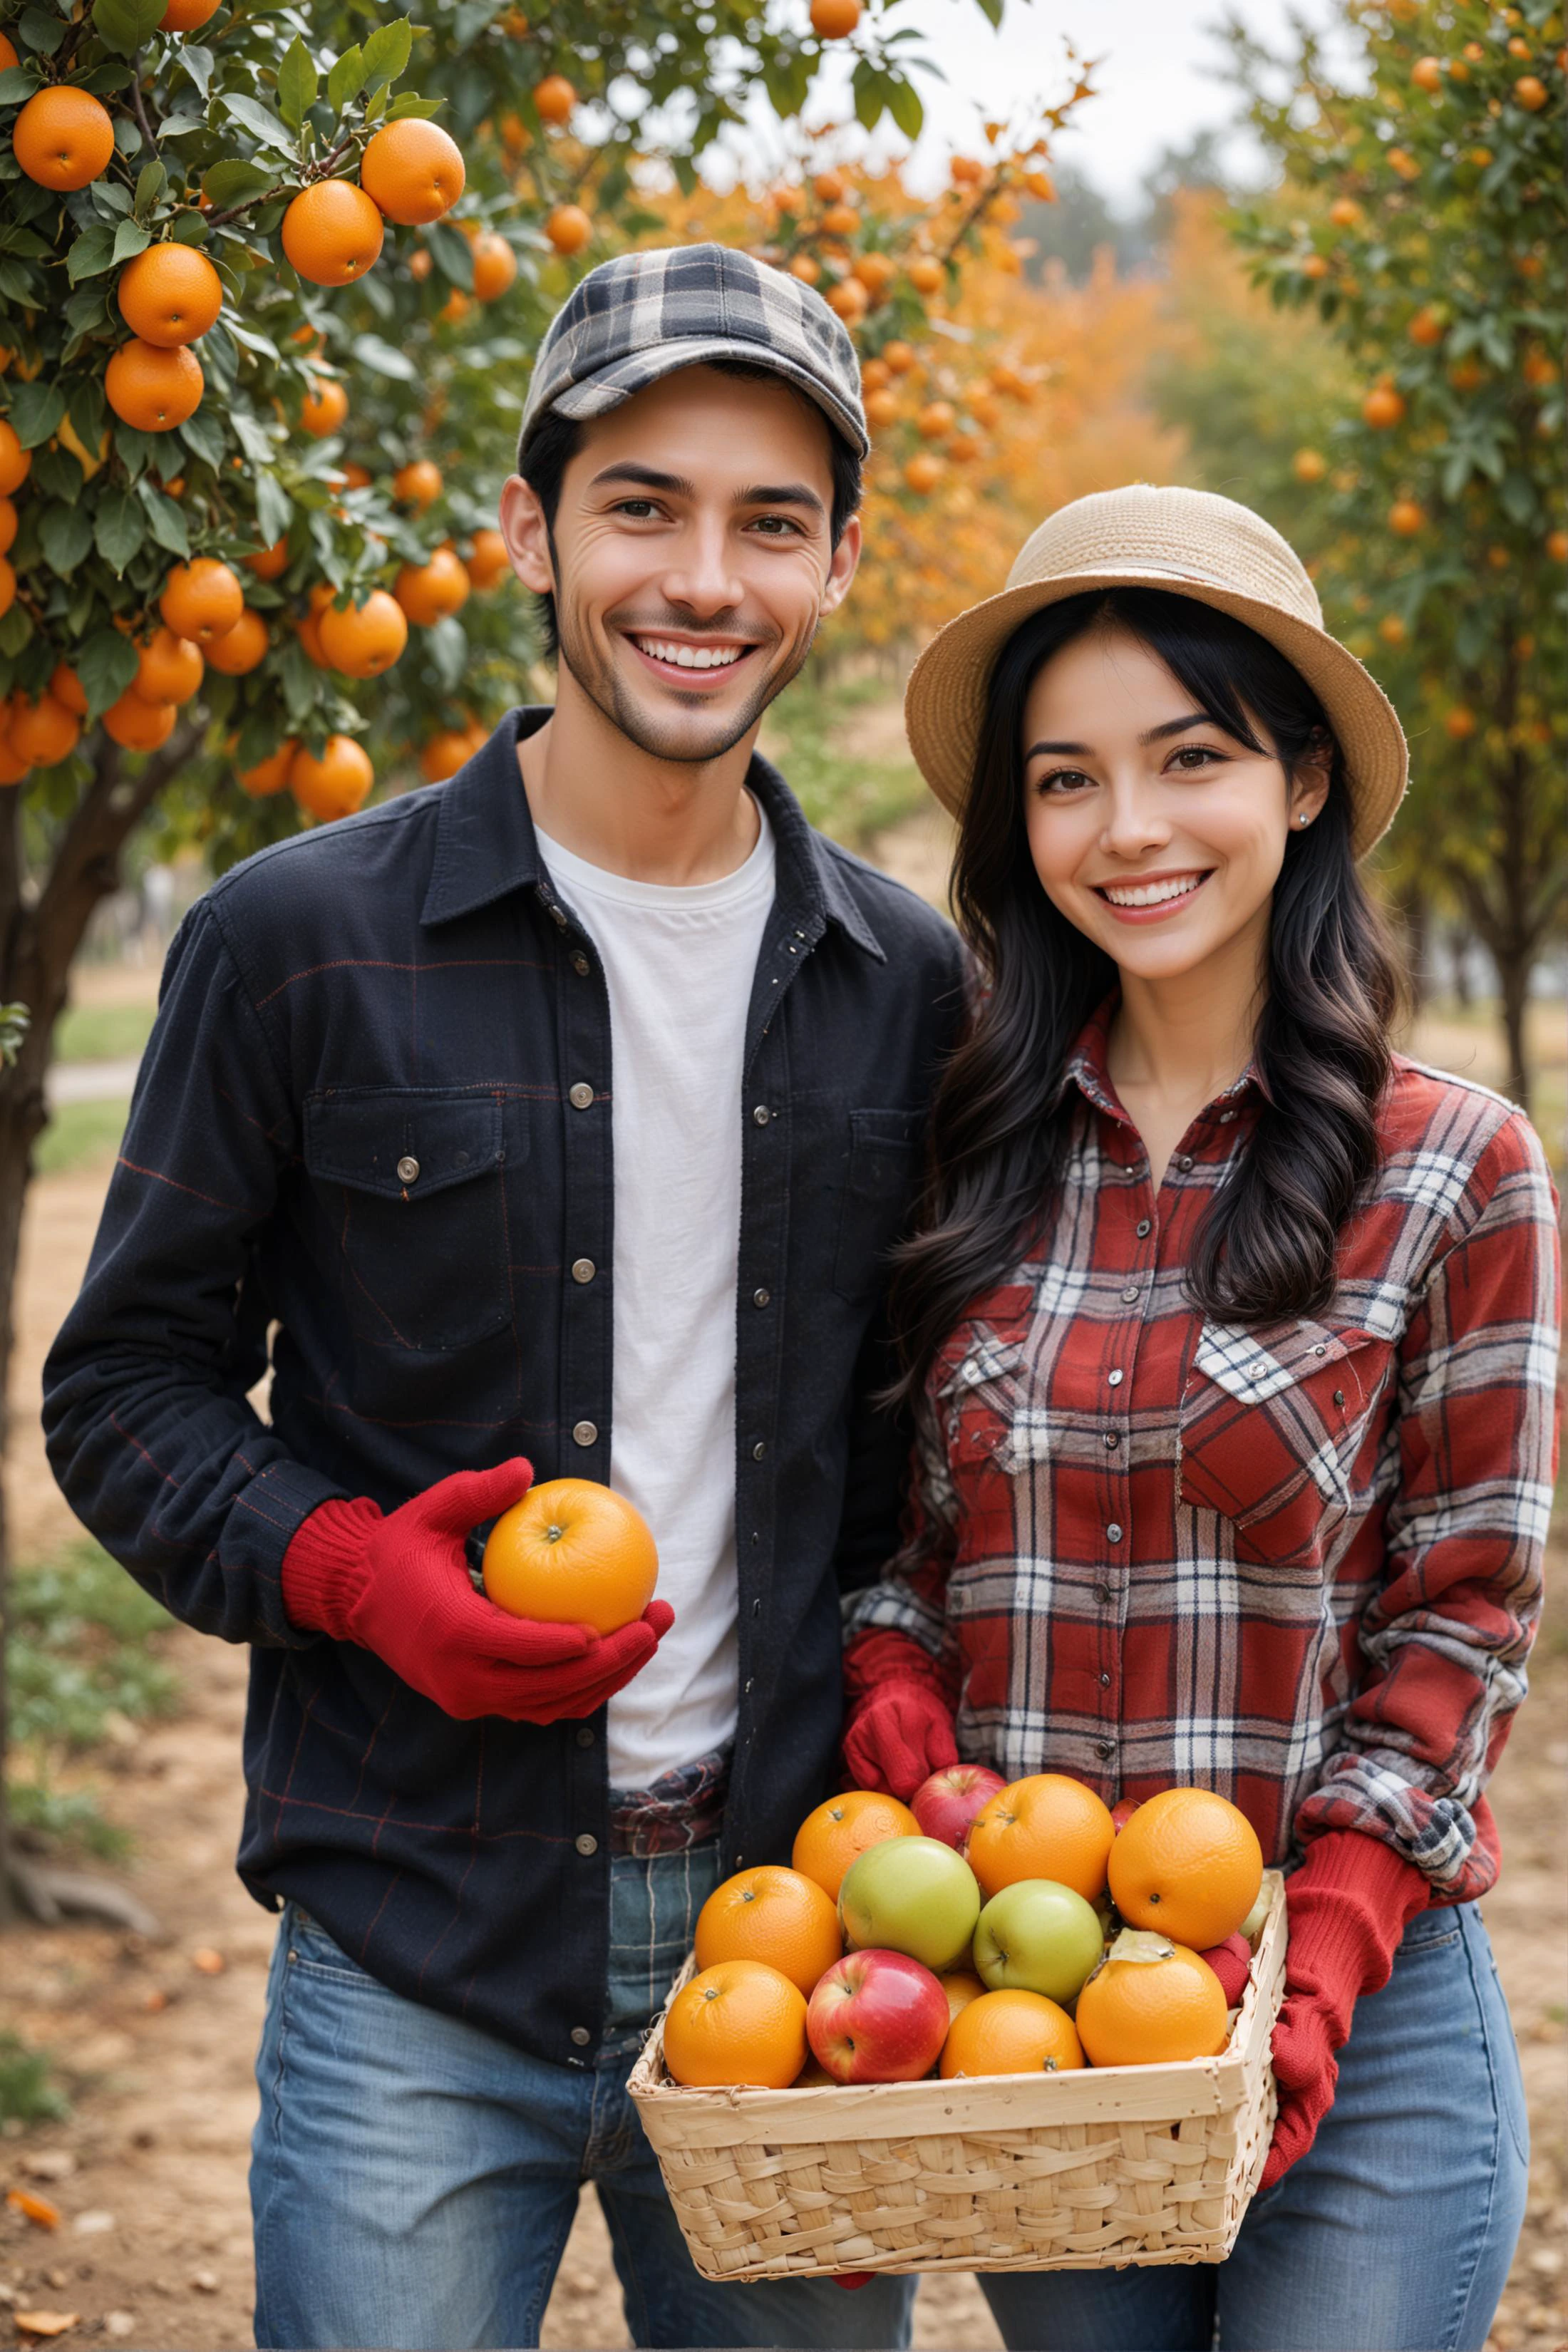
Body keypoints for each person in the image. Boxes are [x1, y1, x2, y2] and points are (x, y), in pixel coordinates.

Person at [43, 244, 965, 2352]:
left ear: (832, 566)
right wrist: (357, 1572)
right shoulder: (299, 941)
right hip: (414, 1938)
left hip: (803, 1931)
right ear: (531, 530)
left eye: (770, 522)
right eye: (642, 505)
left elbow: (919, 1443)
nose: (703, 578)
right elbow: (126, 1386)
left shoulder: (908, 988)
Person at [842, 485, 1559, 2352]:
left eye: (1190, 757)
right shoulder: (965, 1151)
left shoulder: (1454, 1166)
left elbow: (1466, 1612)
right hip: (1047, 2015)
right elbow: (906, 1547)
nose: (1128, 827)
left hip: (1356, 2005)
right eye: (1066, 779)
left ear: (1302, 776)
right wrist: (896, 1688)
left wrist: (1316, 1948)